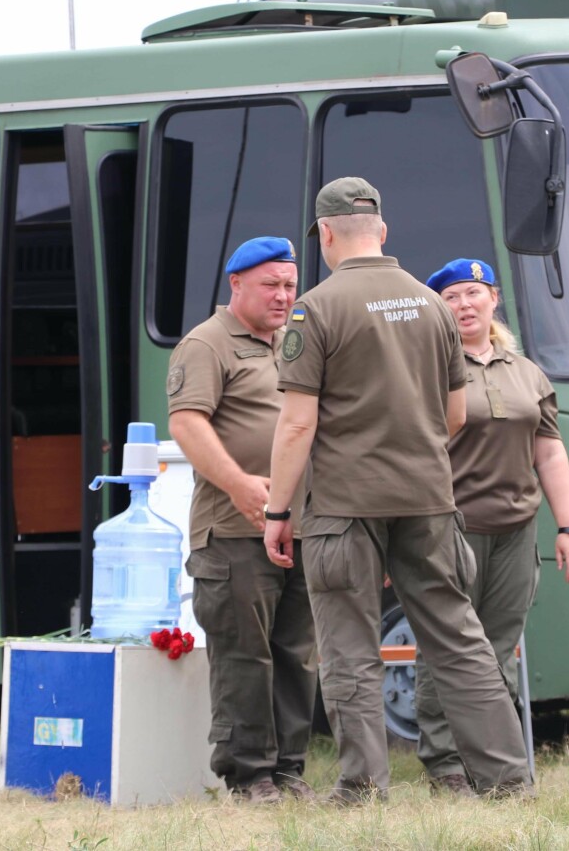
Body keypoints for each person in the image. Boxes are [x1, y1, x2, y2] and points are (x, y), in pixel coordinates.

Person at [262, 177, 531, 802]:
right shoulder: (434, 307)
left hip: (344, 503)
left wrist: (279, 507)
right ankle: (507, 780)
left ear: (327, 235)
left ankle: (363, 788)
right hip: (430, 497)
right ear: (381, 232)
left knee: (350, 645)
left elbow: (298, 421)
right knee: (459, 637)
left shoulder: (317, 309)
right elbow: (455, 414)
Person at [413, 257, 569, 796]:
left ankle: (494, 762)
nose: (464, 305)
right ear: (437, 310)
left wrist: (568, 527)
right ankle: (445, 764)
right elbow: (415, 451)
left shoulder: (526, 371)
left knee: (498, 648)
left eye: (473, 293)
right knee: (444, 646)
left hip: (516, 533)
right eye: (451, 298)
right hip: (450, 529)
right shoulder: (427, 366)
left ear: (493, 300)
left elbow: (550, 453)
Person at [167, 236, 317, 804]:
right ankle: (249, 777)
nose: (283, 297)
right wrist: (239, 485)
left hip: (300, 525)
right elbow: (187, 425)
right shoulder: (207, 344)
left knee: (297, 655)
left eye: (290, 286)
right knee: (245, 657)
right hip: (233, 532)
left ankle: (288, 771)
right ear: (236, 285)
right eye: (270, 285)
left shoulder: (294, 341)